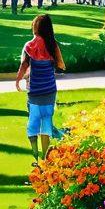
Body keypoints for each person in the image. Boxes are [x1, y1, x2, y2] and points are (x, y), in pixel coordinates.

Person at [15, 13, 65, 165]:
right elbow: (61, 65)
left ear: (35, 28)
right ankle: (44, 159)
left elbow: (24, 66)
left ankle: (36, 157)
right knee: (46, 122)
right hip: (50, 90)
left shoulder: (29, 46)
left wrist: (18, 80)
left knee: (33, 123)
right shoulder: (52, 45)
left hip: (34, 90)